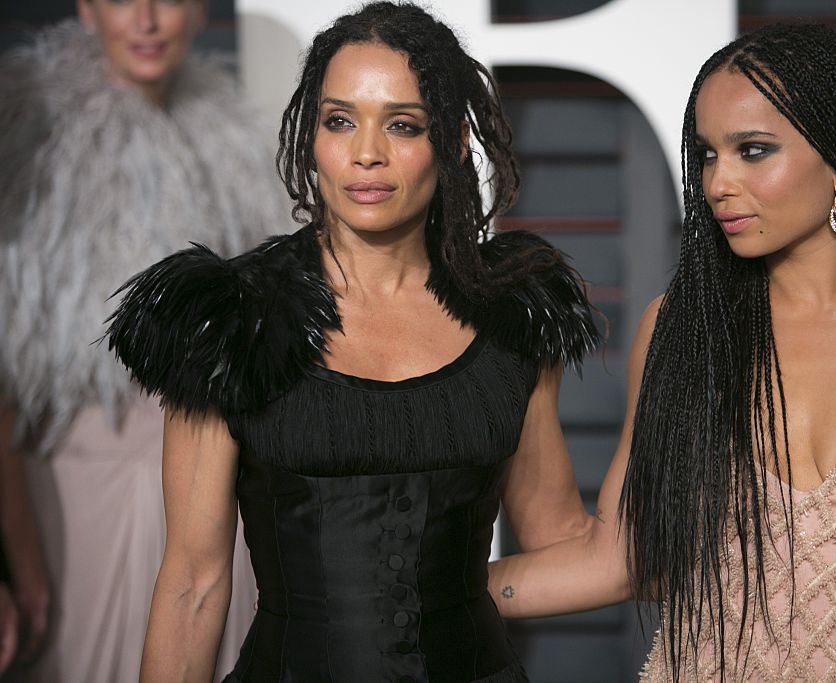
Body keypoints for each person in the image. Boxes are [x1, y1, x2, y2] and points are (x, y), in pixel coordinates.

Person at [488, 23, 836, 682]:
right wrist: (411, 597)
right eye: (707, 154)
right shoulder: (680, 329)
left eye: (753, 150)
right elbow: (621, 556)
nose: (718, 182)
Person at [106, 2, 600, 681]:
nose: (367, 153)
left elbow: (563, 539)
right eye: (340, 120)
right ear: (311, 136)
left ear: (455, 142)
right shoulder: (230, 319)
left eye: (403, 124)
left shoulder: (513, 316)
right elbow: (193, 584)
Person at [0, 0, 288, 678]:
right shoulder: (28, 138)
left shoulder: (237, 148)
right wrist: (19, 557)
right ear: (87, 8)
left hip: (219, 478)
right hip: (77, 478)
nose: (149, 20)